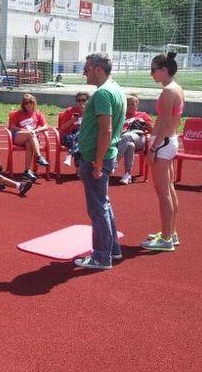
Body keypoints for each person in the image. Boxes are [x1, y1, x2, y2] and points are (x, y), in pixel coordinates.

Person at [73, 53, 126, 270]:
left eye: (86, 68)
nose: (84, 72)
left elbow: (106, 130)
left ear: (97, 68)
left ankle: (101, 256)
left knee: (98, 209)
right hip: (104, 155)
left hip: (97, 158)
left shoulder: (104, 93)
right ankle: (112, 249)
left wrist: (96, 163)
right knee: (104, 205)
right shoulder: (115, 89)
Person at [141, 52, 185, 251]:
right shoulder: (175, 88)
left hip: (164, 144)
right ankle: (171, 232)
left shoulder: (168, 91)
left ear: (164, 70)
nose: (152, 74)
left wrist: (153, 147)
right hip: (169, 141)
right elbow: (165, 120)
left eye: (154, 70)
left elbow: (166, 122)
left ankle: (166, 238)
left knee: (163, 193)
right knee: (169, 190)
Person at [8, 94, 50, 181]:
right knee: (30, 135)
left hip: (32, 138)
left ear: (34, 103)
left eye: (30, 103)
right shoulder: (18, 114)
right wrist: (23, 130)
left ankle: (26, 171)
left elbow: (45, 126)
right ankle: (38, 157)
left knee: (29, 143)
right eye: (26, 103)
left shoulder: (37, 114)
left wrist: (37, 130)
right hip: (19, 136)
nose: (28, 105)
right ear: (23, 105)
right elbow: (12, 127)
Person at [116, 94, 153, 185]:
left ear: (137, 104)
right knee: (130, 145)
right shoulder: (121, 116)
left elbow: (151, 130)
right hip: (124, 140)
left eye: (133, 104)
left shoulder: (143, 115)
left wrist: (148, 127)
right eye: (128, 104)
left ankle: (115, 161)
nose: (131, 106)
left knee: (128, 136)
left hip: (139, 138)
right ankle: (127, 175)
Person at [58, 92, 89, 166]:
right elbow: (62, 127)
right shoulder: (70, 111)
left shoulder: (90, 112)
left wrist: (86, 114)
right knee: (80, 138)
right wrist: (71, 121)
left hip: (82, 137)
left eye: (83, 100)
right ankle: (79, 169)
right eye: (79, 100)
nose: (81, 102)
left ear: (87, 101)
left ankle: (69, 155)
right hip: (68, 136)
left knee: (81, 137)